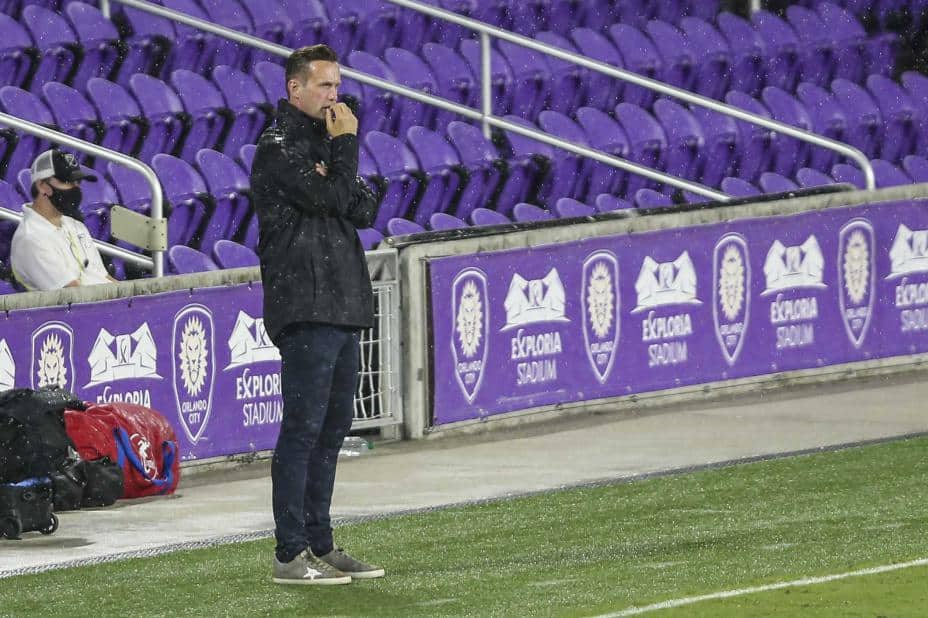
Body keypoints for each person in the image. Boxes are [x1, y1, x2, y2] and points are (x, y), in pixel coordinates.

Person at [250, 44, 382, 586]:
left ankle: (321, 544)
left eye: (338, 86)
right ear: (295, 88)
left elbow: (365, 206)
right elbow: (331, 198)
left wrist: (337, 161)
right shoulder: (276, 147)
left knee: (332, 431)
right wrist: (344, 149)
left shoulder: (325, 144)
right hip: (304, 303)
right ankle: (289, 553)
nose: (335, 97)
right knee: (302, 431)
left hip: (341, 301)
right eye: (325, 86)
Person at [11, 149, 116, 291]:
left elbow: (104, 277)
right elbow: (74, 294)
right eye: (68, 181)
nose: (76, 188)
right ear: (42, 186)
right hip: (84, 304)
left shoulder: (76, 226)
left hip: (102, 300)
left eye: (77, 182)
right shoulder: (31, 238)